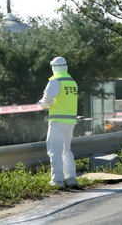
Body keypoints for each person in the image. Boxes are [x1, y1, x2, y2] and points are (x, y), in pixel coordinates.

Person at [38, 57, 78, 188]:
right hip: (70, 121)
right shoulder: (72, 81)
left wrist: (42, 104)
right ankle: (71, 178)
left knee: (54, 150)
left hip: (57, 121)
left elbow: (48, 99)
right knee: (67, 150)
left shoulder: (56, 81)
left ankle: (57, 181)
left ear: (54, 67)